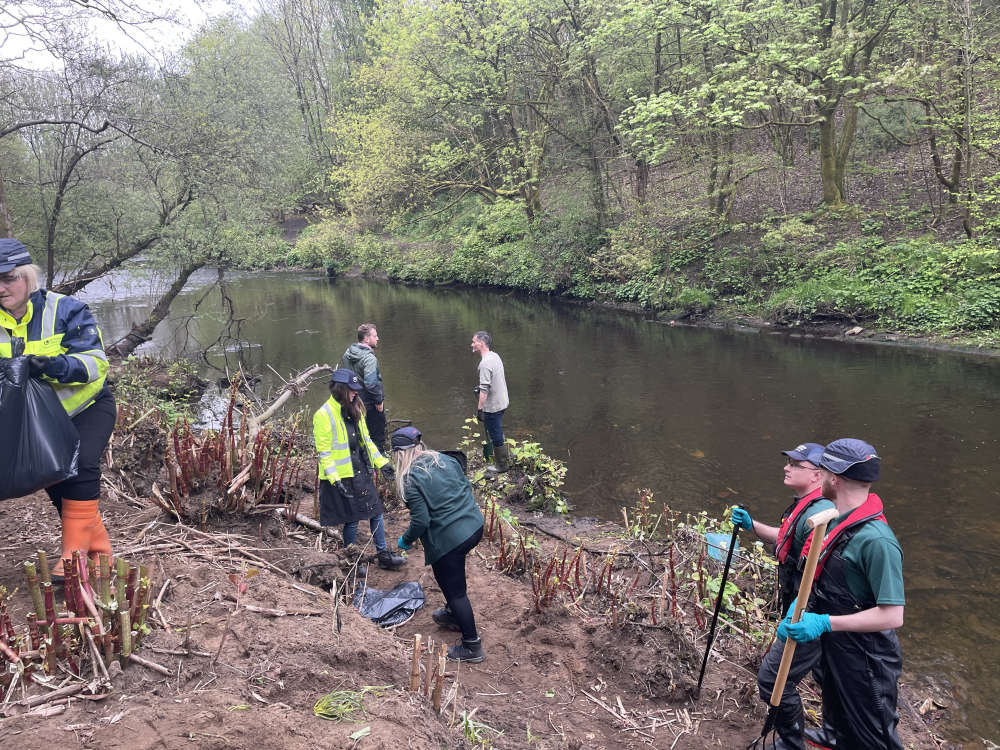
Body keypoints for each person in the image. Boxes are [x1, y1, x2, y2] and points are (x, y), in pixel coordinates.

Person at [776, 439, 904, 750]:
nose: (818, 476)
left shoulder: (876, 541)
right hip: (838, 650)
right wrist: (800, 610)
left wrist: (824, 623)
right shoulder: (836, 519)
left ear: (834, 478)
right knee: (843, 731)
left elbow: (892, 615)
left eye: (822, 470)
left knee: (874, 739)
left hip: (867, 659)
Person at [0, 238, 116, 577]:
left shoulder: (66, 310)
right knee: (55, 478)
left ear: (28, 277)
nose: (1, 288)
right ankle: (100, 555)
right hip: (33, 422)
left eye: (9, 278)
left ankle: (73, 558)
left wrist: (49, 366)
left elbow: (96, 364)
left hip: (87, 408)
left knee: (78, 468)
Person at [733, 443, 835, 750]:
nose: (786, 467)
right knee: (826, 672)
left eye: (795, 464)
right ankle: (833, 733)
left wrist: (797, 611)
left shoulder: (819, 516)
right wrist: (753, 527)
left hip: (810, 610)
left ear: (817, 475)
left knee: (771, 680)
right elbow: (788, 538)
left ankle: (791, 744)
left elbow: (817, 572)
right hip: (811, 609)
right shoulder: (808, 505)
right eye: (788, 462)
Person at [390, 426, 486, 663]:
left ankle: (472, 647)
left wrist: (406, 540)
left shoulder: (410, 479)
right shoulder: (443, 459)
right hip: (474, 526)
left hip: (451, 539)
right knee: (453, 572)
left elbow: (422, 521)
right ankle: (453, 616)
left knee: (455, 591)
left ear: (399, 454)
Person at [312, 368, 404, 570]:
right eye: (352, 389)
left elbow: (367, 441)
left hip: (360, 471)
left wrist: (383, 464)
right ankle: (353, 560)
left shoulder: (356, 409)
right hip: (343, 477)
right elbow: (325, 453)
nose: (356, 393)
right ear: (340, 389)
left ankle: (383, 556)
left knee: (376, 512)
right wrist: (335, 480)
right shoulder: (323, 415)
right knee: (352, 520)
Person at [341, 323, 386, 449]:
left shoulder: (347, 353)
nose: (378, 338)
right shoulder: (369, 358)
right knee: (377, 438)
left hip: (352, 401)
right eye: (375, 336)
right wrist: (379, 401)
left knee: (359, 435)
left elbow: (344, 375)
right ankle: (379, 465)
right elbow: (371, 384)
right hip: (370, 404)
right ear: (366, 339)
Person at [471, 330, 509, 473]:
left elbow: (484, 390)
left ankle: (502, 466)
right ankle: (505, 455)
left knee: (495, 433)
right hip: (503, 401)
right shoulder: (495, 356)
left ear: (481, 344)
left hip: (493, 406)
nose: (472, 344)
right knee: (497, 428)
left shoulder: (485, 364)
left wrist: (480, 410)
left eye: (474, 341)